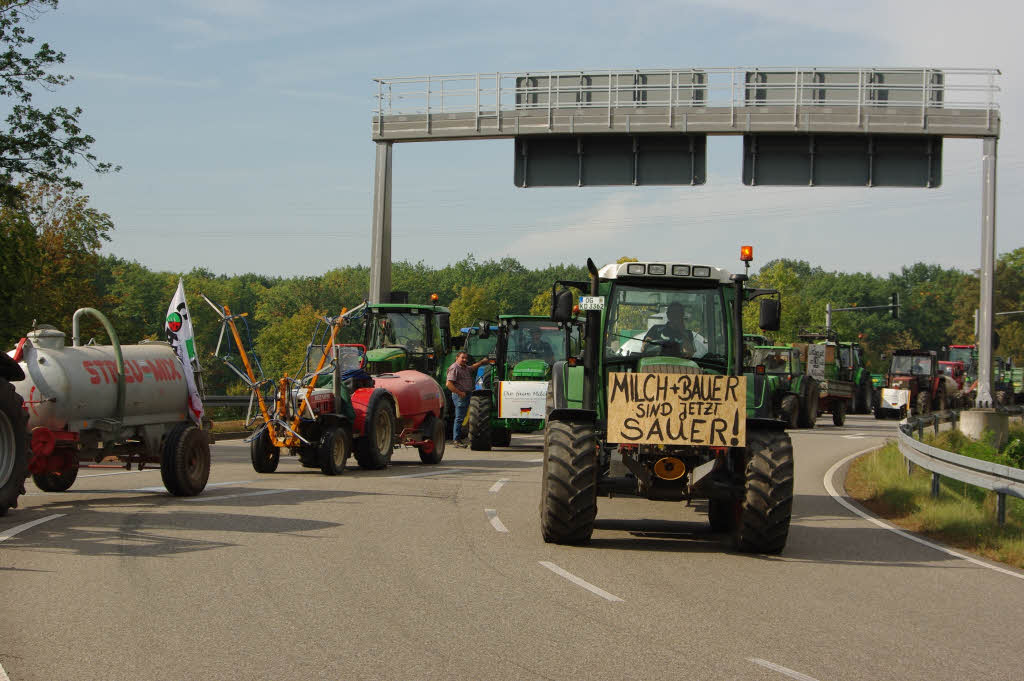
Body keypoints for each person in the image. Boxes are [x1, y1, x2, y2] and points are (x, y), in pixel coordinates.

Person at [446, 351, 487, 446]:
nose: (464, 360)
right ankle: (456, 440)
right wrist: (459, 393)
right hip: (460, 396)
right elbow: (448, 384)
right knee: (459, 418)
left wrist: (481, 362)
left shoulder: (464, 367)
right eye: (462, 358)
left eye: (465, 358)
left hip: (467, 394)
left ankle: (460, 438)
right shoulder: (454, 368)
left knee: (463, 417)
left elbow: (472, 367)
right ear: (457, 358)